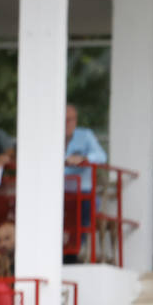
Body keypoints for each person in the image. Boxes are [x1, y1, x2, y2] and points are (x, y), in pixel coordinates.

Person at [63, 104, 107, 262]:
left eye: (71, 120)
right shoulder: (51, 135)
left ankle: (73, 253)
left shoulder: (85, 136)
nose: (67, 123)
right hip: (58, 192)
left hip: (82, 192)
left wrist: (84, 159)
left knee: (83, 211)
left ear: (75, 121)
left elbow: (101, 156)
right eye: (64, 119)